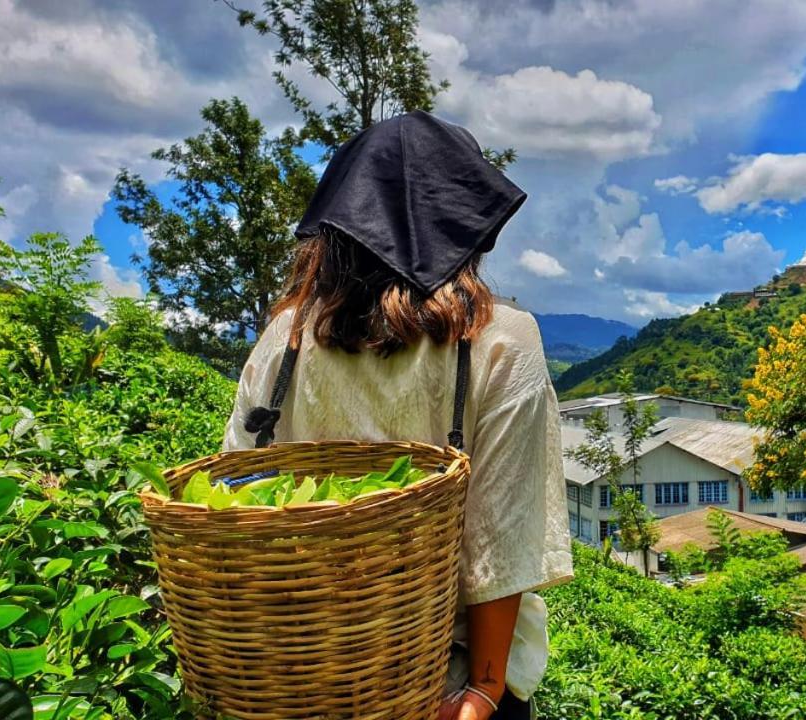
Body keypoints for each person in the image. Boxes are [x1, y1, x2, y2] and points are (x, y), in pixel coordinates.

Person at [224, 111, 574, 720]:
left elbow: (235, 492)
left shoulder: (286, 338)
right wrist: (484, 693)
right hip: (449, 681)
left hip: (301, 671)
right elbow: (501, 535)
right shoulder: (499, 341)